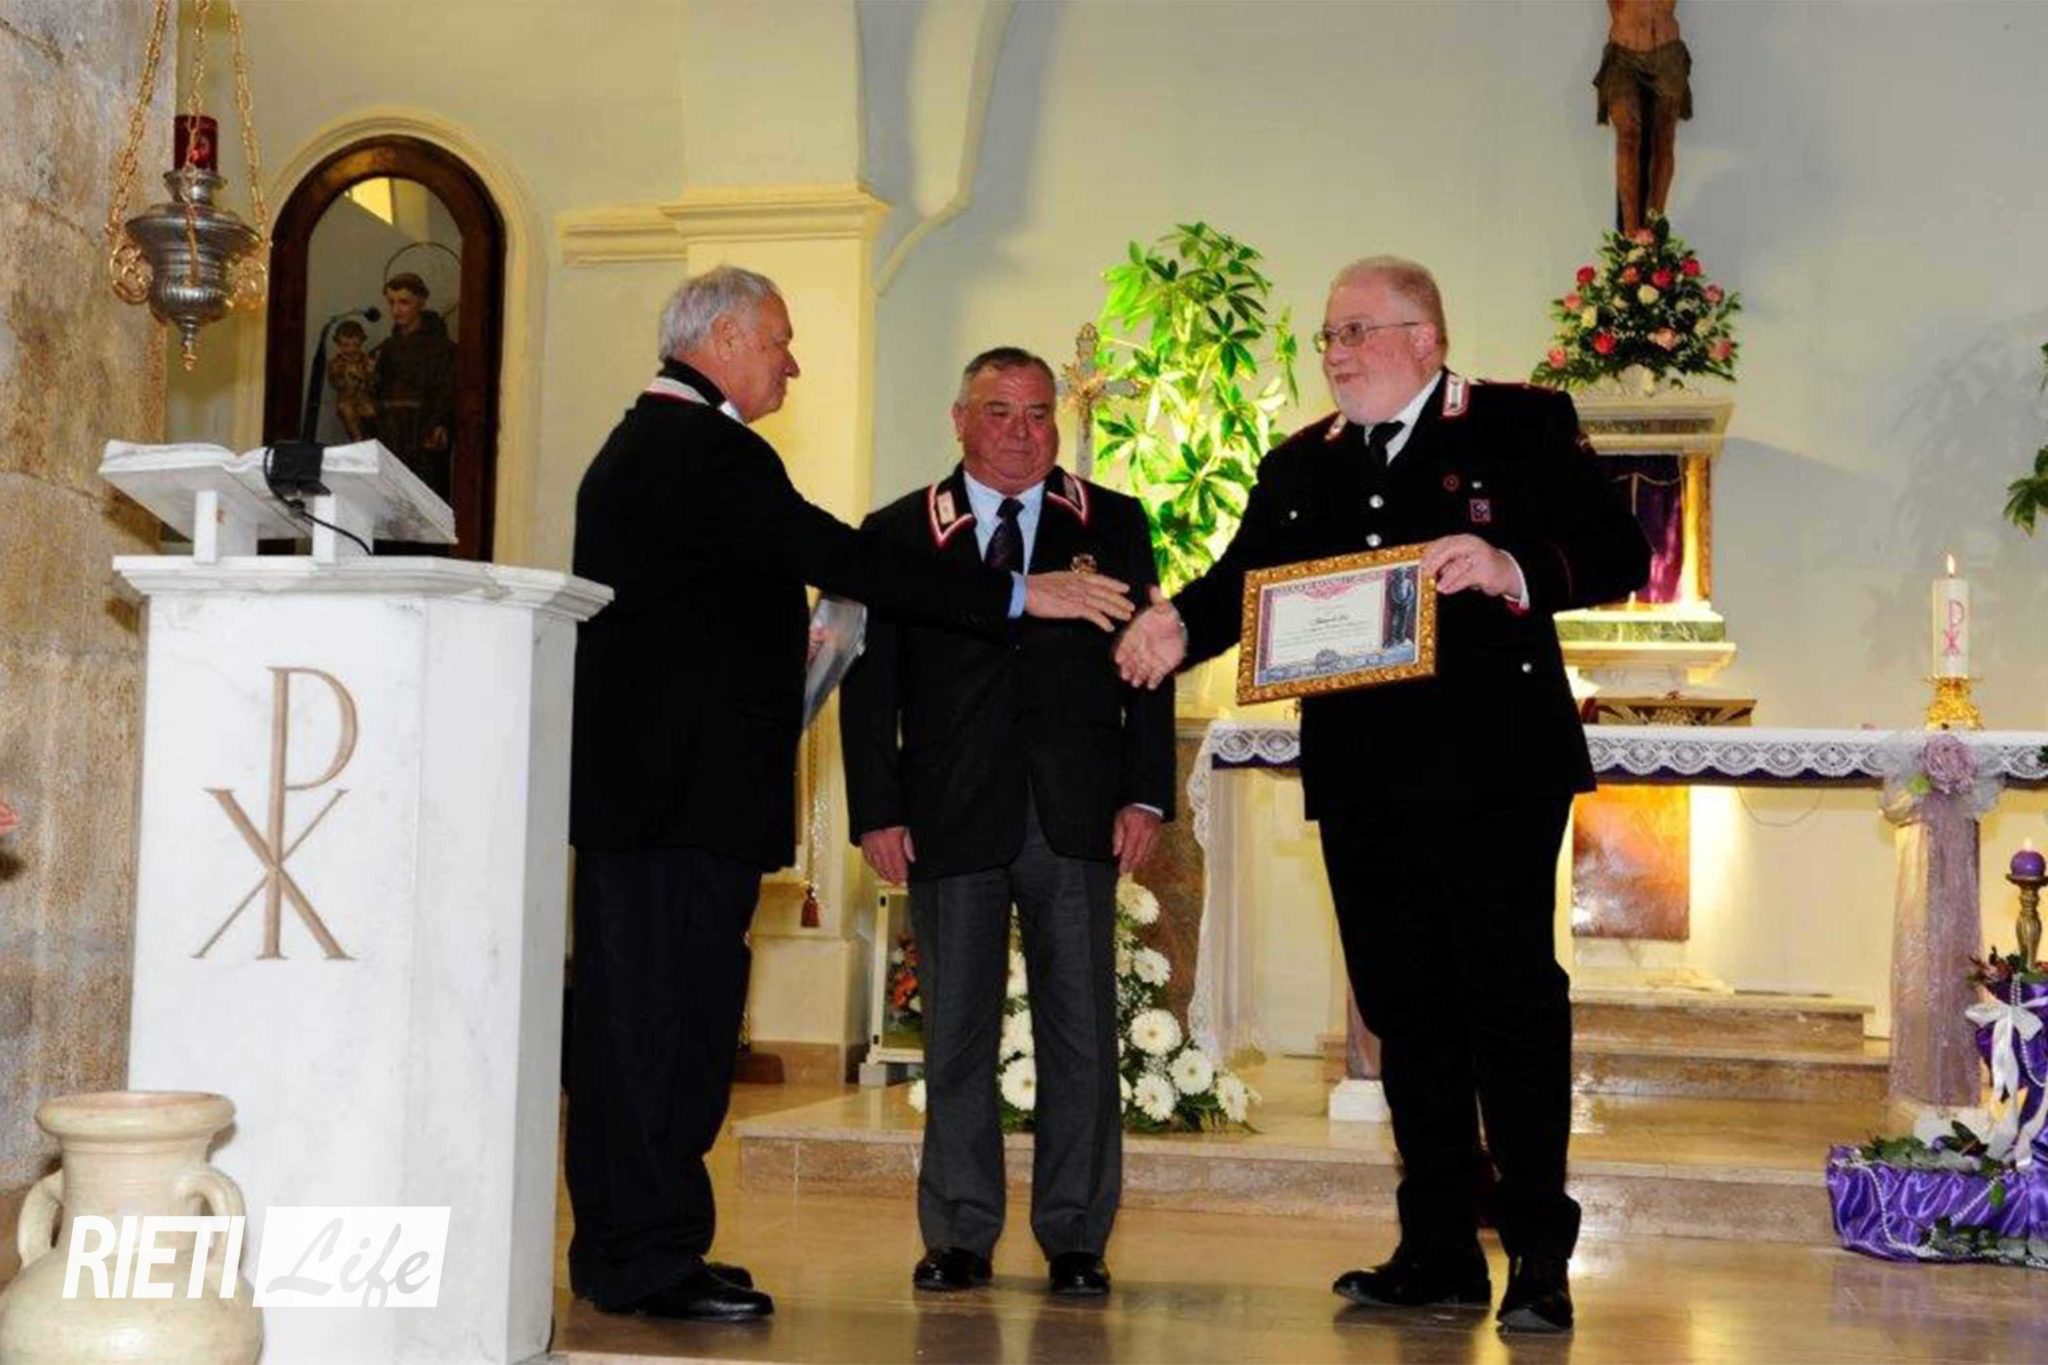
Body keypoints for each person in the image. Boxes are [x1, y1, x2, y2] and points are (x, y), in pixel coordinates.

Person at [566, 268, 1134, 1323]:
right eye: (778, 340)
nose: (791, 363)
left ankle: (639, 1244)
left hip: (661, 801)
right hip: (676, 803)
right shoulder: (699, 448)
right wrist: (1020, 590)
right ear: (723, 338)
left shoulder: (662, 445)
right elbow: (843, 558)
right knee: (659, 1031)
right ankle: (643, 1256)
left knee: (655, 1026)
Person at [1116, 257, 1648, 1335]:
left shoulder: (1518, 424)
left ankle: (1536, 1256)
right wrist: (1175, 627)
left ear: (1425, 338)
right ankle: (1438, 1247)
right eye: (1327, 335)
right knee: (1406, 1010)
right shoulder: (1301, 463)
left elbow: (1617, 550)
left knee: (1507, 1005)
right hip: (1363, 778)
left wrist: (1507, 565)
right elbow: (1244, 585)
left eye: (1356, 331)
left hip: (1494, 771)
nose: (1336, 353)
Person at [839, 347, 1174, 1300]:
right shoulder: (899, 531)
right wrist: (878, 810)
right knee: (954, 1033)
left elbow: (1150, 664)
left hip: (1074, 815)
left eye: (1038, 413)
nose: (1022, 432)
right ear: (959, 419)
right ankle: (958, 1231)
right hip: (949, 816)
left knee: (1081, 1034)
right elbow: (870, 688)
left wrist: (1146, 792)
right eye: (999, 411)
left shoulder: (1112, 521)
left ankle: (1076, 1235)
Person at [1595, 0, 1690, 233]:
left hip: (1667, 49)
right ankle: (1630, 236)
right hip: (1624, 50)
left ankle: (1654, 230)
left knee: (1664, 138)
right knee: (1628, 138)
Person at [371, 272, 457, 499]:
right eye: (391, 303)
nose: (396, 310)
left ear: (420, 302)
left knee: (425, 494)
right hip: (392, 430)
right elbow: (380, 389)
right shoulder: (389, 347)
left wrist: (440, 422)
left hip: (423, 429)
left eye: (404, 302)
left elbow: (446, 389)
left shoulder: (442, 348)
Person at [326, 319, 377, 443]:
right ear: (338, 344)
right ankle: (357, 439)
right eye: (346, 345)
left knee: (373, 413)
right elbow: (335, 383)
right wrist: (346, 374)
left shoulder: (365, 360)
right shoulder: (336, 363)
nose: (351, 349)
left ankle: (370, 440)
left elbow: (373, 384)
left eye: (355, 345)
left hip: (365, 399)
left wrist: (370, 372)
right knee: (347, 411)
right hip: (347, 400)